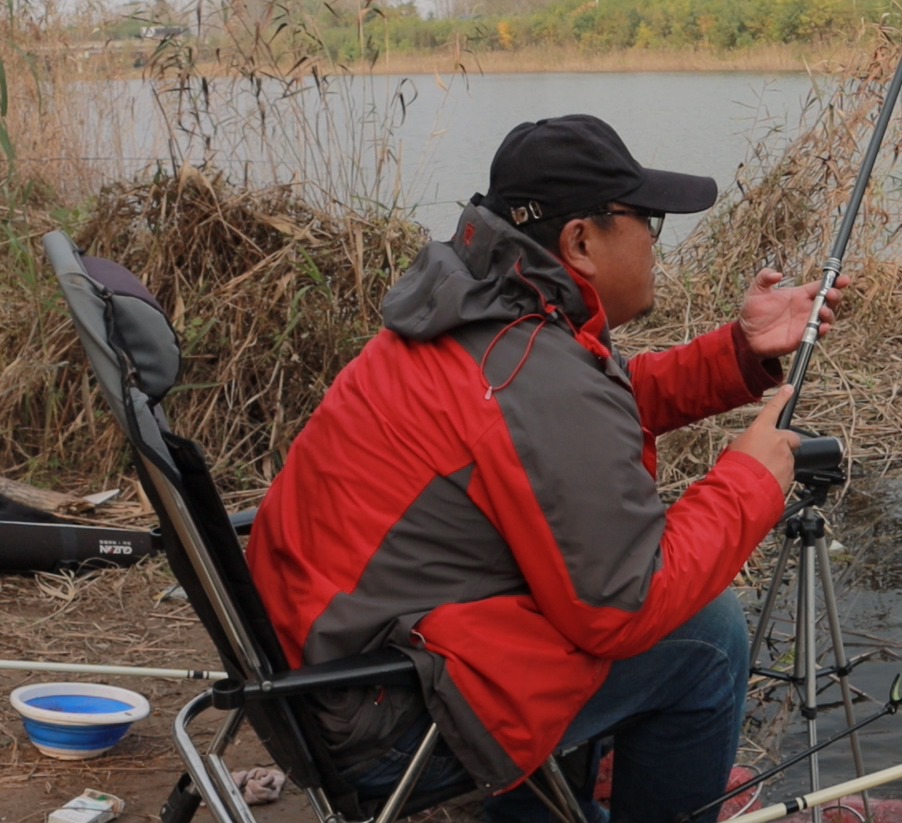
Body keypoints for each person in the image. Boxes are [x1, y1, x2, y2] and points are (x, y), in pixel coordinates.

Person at [246, 114, 845, 823]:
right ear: (581, 241)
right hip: (378, 719)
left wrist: (739, 353)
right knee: (707, 639)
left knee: (562, 583)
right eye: (646, 218)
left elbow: (582, 417)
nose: (656, 240)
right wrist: (752, 477)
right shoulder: (526, 365)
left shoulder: (480, 316)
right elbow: (625, 605)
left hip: (320, 675)